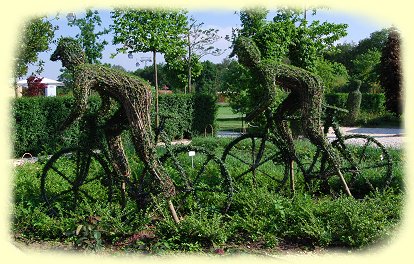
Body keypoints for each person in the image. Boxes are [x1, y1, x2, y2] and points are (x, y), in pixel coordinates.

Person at [50, 38, 179, 218]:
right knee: (111, 130)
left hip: (136, 94)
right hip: (133, 94)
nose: (63, 63)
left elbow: (80, 106)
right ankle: (124, 175)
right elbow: (107, 103)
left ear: (70, 57)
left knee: (142, 145)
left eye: (63, 58)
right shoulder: (92, 70)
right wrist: (98, 116)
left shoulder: (82, 74)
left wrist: (63, 126)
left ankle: (165, 184)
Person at [232, 36, 352, 196]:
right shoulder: (260, 69)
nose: (240, 60)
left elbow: (270, 97)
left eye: (241, 55)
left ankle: (335, 159)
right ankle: (290, 149)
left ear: (249, 55)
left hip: (311, 87)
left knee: (311, 129)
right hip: (298, 90)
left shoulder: (263, 68)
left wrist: (253, 114)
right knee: (278, 116)